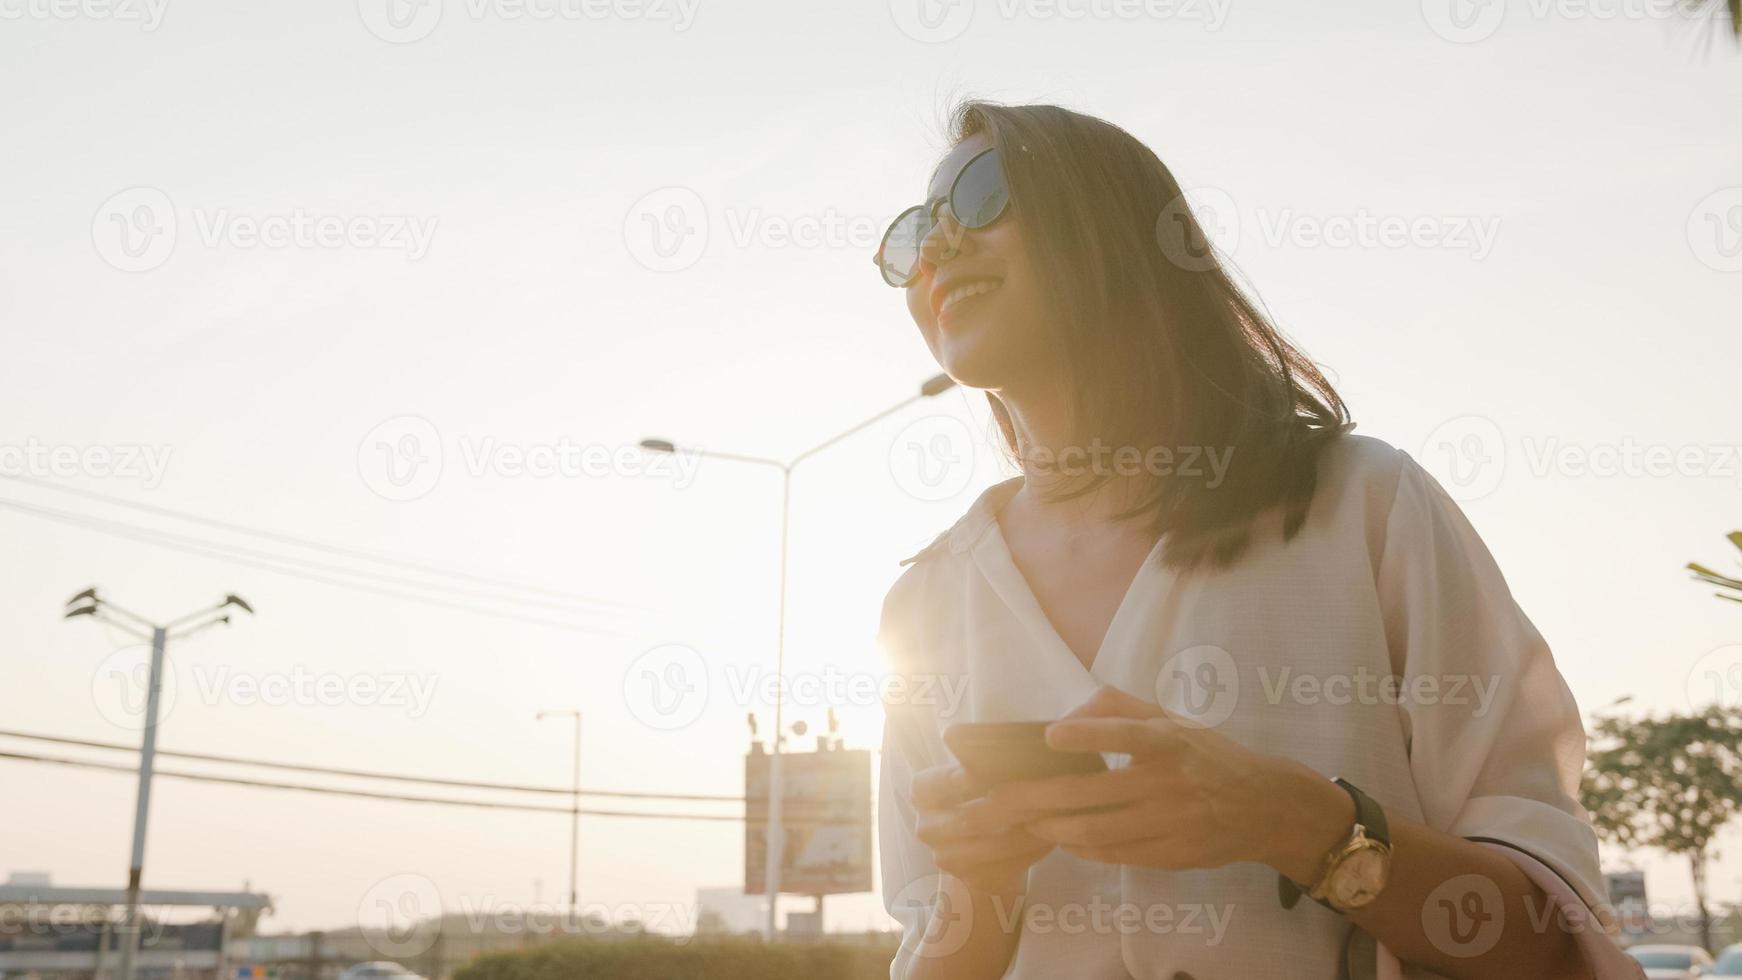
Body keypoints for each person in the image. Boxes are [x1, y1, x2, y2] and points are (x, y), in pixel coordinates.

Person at [871, 100, 1641, 980]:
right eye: (915, 231)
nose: (938, 247)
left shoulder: (1367, 508)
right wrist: (977, 891)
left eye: (978, 194)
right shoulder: (925, 606)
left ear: (1115, 224)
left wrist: (1298, 825)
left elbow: (1552, 941)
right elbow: (930, 949)